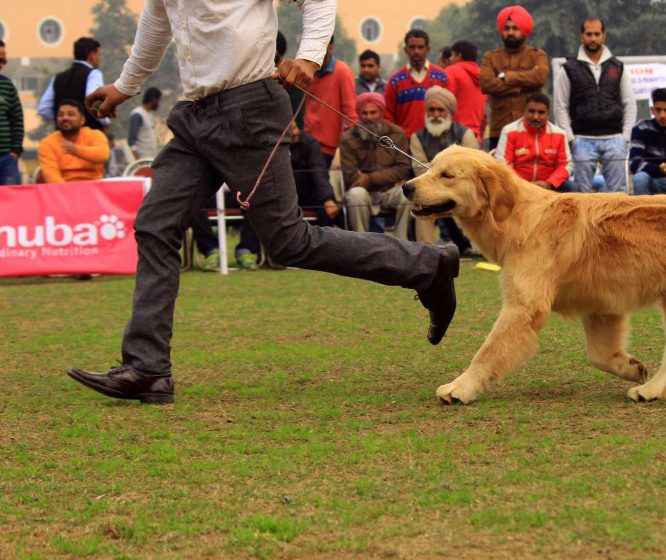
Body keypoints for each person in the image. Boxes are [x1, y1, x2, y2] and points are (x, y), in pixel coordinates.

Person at [71, 1, 460, 405]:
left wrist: (310, 55)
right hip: (195, 115)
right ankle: (148, 368)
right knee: (155, 225)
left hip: (250, 108)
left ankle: (427, 266)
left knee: (290, 242)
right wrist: (124, 85)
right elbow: (157, 18)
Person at [193, 120, 340, 270]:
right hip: (224, 194)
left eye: (295, 128)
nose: (294, 133)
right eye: (290, 130)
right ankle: (212, 251)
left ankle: (323, 254)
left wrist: (327, 199)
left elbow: (318, 173)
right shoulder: (206, 145)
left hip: (301, 194)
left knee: (258, 200)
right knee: (193, 203)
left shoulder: (308, 144)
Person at [553, 17, 636, 194]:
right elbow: (560, 106)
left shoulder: (618, 66)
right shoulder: (569, 68)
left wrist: (625, 137)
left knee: (619, 195)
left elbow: (629, 103)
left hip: (615, 139)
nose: (593, 38)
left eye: (597, 34)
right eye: (589, 34)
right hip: (582, 139)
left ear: (603, 36)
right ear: (581, 37)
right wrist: (570, 139)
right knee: (582, 196)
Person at [341, 92, 417, 239]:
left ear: (381, 112)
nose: (369, 117)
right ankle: (360, 245)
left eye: (373, 112)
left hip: (390, 191)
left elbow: (402, 170)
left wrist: (369, 178)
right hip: (364, 193)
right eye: (365, 113)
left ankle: (402, 244)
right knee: (355, 195)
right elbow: (350, 175)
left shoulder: (396, 133)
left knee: (407, 194)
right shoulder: (348, 138)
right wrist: (385, 176)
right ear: (359, 114)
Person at [410, 87, 479, 247]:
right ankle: (425, 248)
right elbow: (419, 169)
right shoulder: (417, 137)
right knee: (420, 201)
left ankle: (474, 245)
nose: (435, 114)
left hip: (459, 191)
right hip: (431, 190)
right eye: (432, 110)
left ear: (449, 112)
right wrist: (449, 172)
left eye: (440, 110)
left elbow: (473, 169)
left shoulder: (465, 134)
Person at [481, 5, 549, 151]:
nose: (510, 32)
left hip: (531, 126)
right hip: (499, 128)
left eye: (515, 28)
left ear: (524, 30)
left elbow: (540, 78)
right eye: (506, 28)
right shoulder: (490, 57)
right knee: (499, 172)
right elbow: (486, 84)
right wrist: (522, 85)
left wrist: (506, 77)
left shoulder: (537, 55)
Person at [495, 92, 572, 191]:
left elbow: (565, 166)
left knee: (572, 187)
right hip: (517, 187)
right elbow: (503, 164)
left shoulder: (560, 134)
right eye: (531, 111)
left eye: (541, 112)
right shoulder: (509, 131)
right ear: (524, 111)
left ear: (548, 114)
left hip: (549, 188)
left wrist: (549, 183)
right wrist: (524, 184)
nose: (536, 117)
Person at [303, 35, 357, 167]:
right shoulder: (308, 71)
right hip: (307, 142)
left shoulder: (342, 71)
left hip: (329, 147)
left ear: (330, 47)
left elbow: (350, 114)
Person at [385, 30, 449, 138]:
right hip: (405, 143)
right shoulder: (395, 81)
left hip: (436, 141)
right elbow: (388, 115)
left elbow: (450, 111)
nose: (416, 51)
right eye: (412, 47)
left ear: (428, 49)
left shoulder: (442, 78)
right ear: (406, 50)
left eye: (420, 47)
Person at [38, 37, 109, 131]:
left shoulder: (58, 77)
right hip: (88, 133)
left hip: (63, 136)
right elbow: (92, 101)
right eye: (98, 55)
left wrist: (63, 122)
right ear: (92, 55)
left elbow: (44, 108)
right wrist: (105, 122)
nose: (99, 59)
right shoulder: (93, 74)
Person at [38, 99, 110, 183]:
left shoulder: (95, 135)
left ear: (82, 120)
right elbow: (52, 176)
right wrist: (68, 193)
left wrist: (76, 150)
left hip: (94, 187)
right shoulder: (47, 143)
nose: (65, 118)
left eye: (71, 114)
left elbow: (103, 155)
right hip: (63, 190)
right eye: (60, 115)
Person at [444, 40, 487, 144]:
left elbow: (445, 102)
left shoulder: (452, 71)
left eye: (452, 55)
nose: (449, 59)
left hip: (455, 135)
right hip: (476, 136)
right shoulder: (483, 76)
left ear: (459, 56)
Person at [0, 39, 24, 185]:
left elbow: (17, 120)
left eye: (4, 59)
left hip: (6, 159)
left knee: (11, 203)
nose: (2, 63)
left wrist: (15, 151)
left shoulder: (7, 85)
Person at [128, 87, 162, 160]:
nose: (159, 103)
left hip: (151, 158)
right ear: (153, 99)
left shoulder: (149, 114)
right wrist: (138, 160)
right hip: (142, 160)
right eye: (158, 100)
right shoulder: (138, 114)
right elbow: (131, 139)